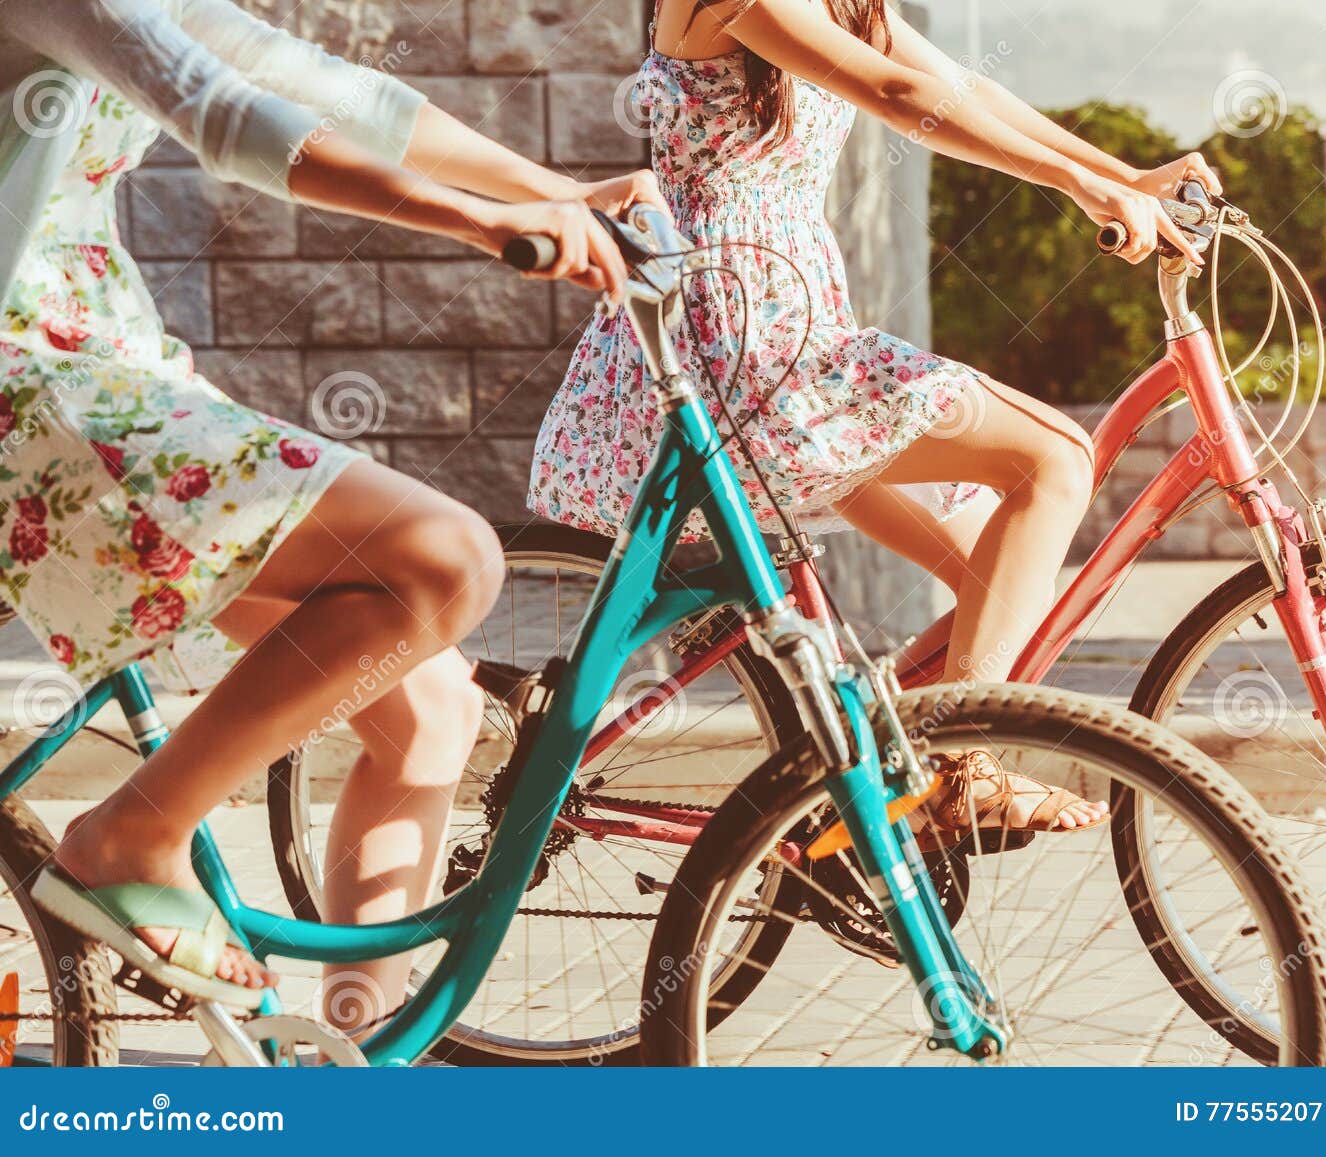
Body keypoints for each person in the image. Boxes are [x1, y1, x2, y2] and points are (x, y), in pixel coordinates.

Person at [0, 0, 661, 1023]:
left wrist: (556, 192)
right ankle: (129, 835)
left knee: (431, 709)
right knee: (444, 561)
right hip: (33, 395)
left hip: (103, 370)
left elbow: (326, 88)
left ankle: (352, 1065)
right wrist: (480, 219)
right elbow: (223, 115)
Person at [527, 0, 1222, 842]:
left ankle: (857, 785)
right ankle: (960, 776)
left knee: (997, 589)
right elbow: (900, 95)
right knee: (1056, 459)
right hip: (748, 345)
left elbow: (958, 86)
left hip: (770, 334)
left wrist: (1123, 174)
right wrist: (1080, 186)